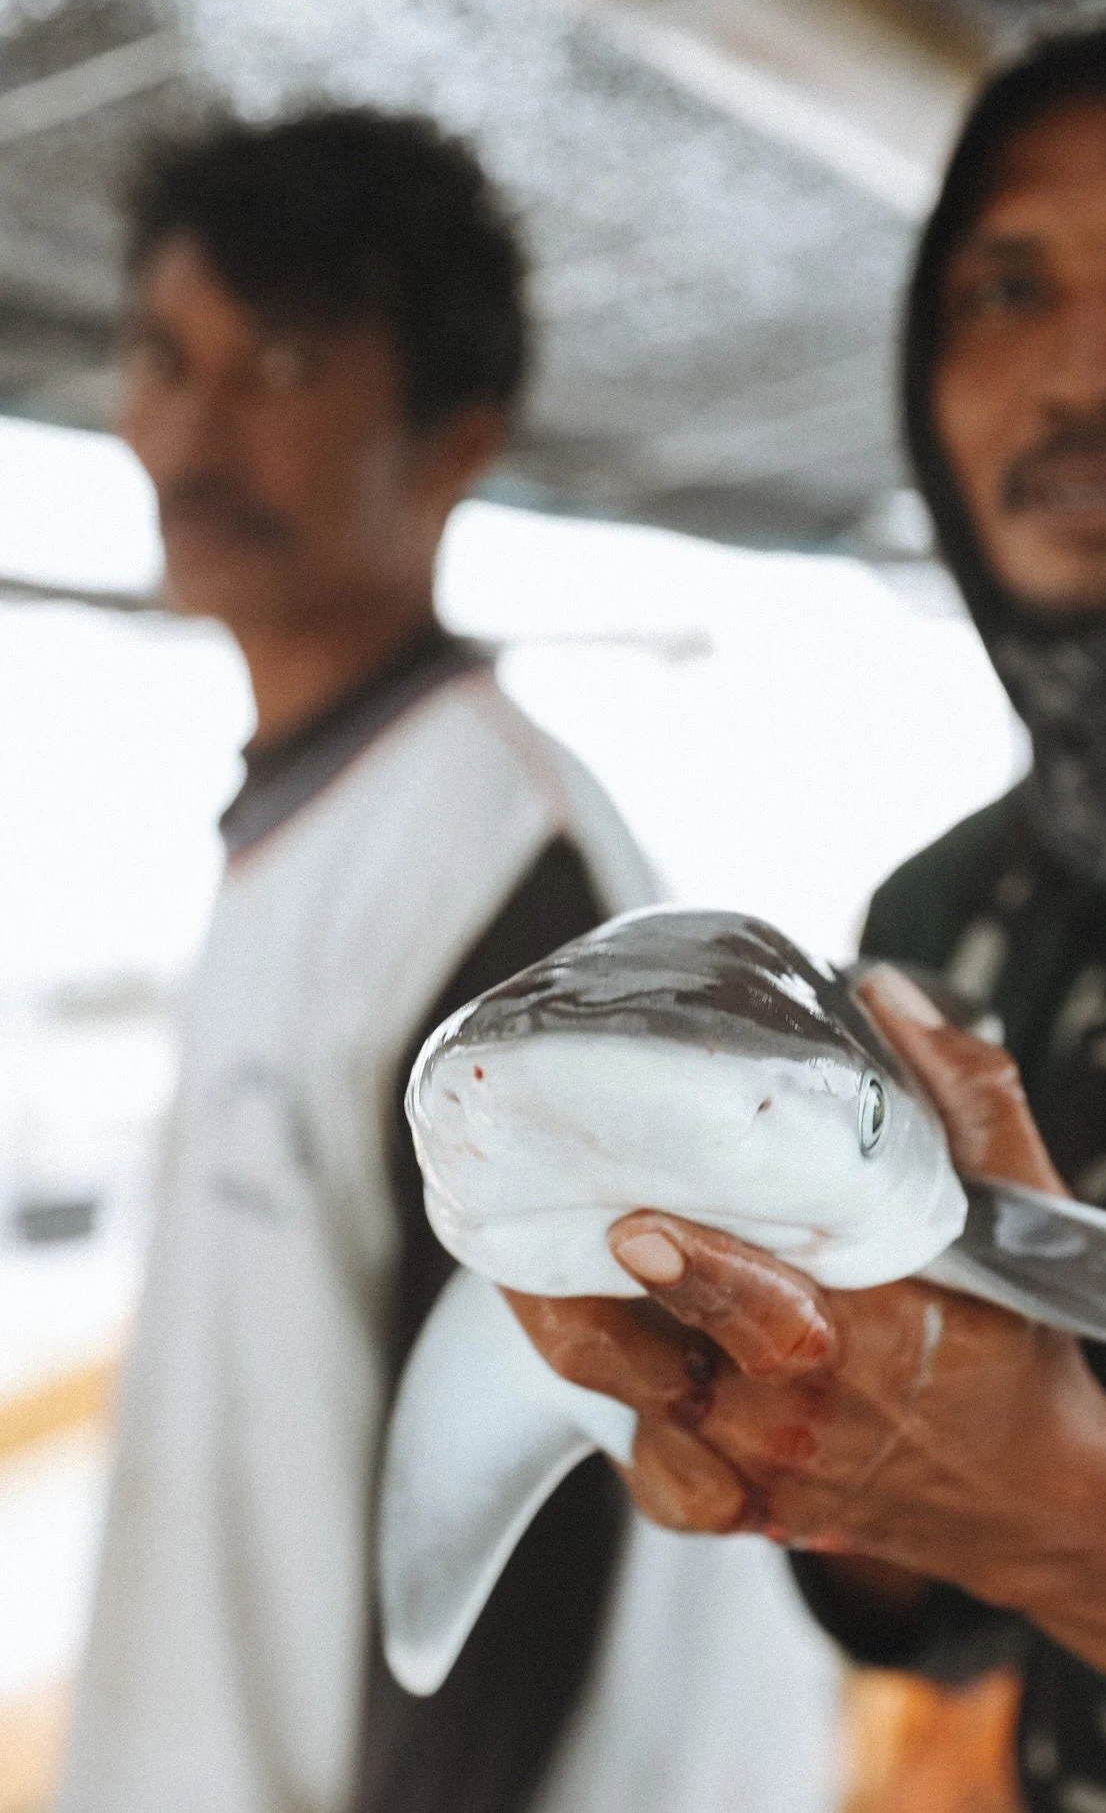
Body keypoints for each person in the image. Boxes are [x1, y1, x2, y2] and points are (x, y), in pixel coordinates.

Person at [506, 10, 1106, 1813]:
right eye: (1000, 292)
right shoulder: (949, 912)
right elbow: (948, 1617)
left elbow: (1036, 1522)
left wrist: (1062, 1504)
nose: (1077, 372)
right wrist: (808, 1437)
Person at [58, 111, 841, 1813]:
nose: (191, 429)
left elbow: (533, 1490)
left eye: (279, 365)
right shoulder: (310, 827)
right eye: (161, 355)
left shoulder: (508, 884)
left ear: (455, 439)